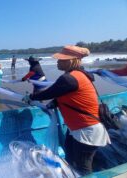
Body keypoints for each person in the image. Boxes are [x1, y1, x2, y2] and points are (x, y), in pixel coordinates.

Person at [26, 45, 111, 175]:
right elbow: (66, 95)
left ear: (70, 61)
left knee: (83, 166)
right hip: (78, 129)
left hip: (86, 130)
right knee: (71, 159)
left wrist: (30, 97)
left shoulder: (69, 78)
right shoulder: (78, 75)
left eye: (61, 59)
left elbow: (49, 93)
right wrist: (54, 103)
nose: (57, 61)